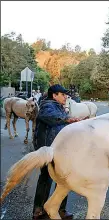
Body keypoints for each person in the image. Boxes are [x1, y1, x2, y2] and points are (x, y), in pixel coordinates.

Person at [33, 84, 80, 220]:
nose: (66, 97)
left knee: (62, 180)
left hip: (59, 149)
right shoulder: (47, 105)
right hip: (48, 149)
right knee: (46, 178)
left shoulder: (59, 107)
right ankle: (39, 210)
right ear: (54, 95)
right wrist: (67, 119)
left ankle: (59, 209)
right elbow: (50, 117)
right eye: (63, 94)